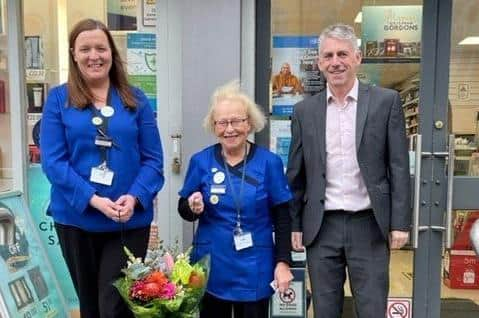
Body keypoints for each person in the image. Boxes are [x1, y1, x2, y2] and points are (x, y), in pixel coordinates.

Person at [40, 19, 164, 318]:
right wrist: (93, 199)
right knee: (90, 306)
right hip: (77, 219)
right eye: (85, 49)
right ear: (73, 54)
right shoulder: (59, 99)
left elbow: (154, 160)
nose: (94, 55)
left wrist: (134, 197)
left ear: (112, 53)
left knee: (116, 306)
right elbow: (54, 162)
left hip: (127, 221)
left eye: (100, 48)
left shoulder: (135, 99)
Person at [286, 24, 411, 318]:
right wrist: (295, 223)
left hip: (369, 224)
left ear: (357, 58)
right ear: (319, 63)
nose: (335, 62)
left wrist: (400, 223)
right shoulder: (305, 111)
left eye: (342, 53)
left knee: (371, 309)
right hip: (322, 226)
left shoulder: (385, 102)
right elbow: (296, 172)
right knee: (325, 310)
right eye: (328, 55)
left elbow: (398, 166)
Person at [178, 81, 294, 318]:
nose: (229, 129)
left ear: (249, 123)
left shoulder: (269, 163)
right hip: (212, 264)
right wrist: (193, 206)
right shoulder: (200, 161)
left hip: (255, 265)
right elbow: (184, 208)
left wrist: (283, 262)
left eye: (236, 121)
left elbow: (283, 216)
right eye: (222, 122)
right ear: (214, 126)